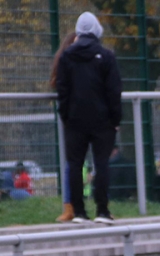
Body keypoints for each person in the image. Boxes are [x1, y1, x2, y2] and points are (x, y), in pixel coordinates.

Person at [56, 12, 122, 224]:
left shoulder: (67, 56)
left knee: (75, 164)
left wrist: (66, 115)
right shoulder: (106, 56)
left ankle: (79, 212)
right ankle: (102, 210)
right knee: (101, 163)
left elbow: (62, 89)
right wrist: (115, 119)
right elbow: (114, 91)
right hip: (102, 120)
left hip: (75, 119)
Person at [50, 31, 78, 222]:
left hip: (90, 114)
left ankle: (102, 206)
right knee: (72, 161)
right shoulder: (65, 61)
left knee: (99, 161)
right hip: (74, 116)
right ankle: (70, 206)